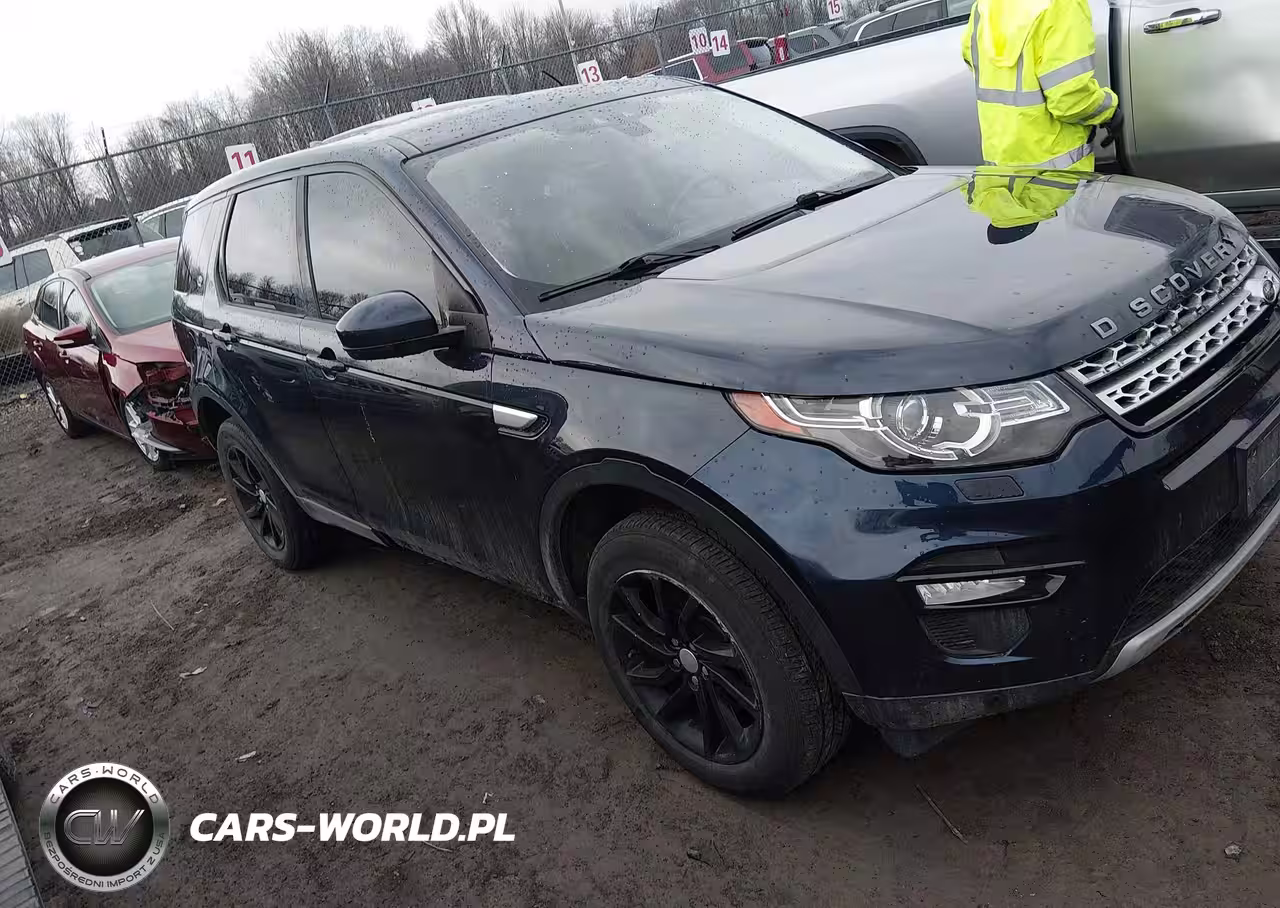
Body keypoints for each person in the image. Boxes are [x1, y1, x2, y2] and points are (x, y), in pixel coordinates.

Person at [962, 0, 1120, 172]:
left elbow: (971, 57)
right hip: (1055, 175)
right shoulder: (1063, 5)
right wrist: (1108, 110)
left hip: (1000, 163)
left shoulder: (986, 4)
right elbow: (1070, 100)